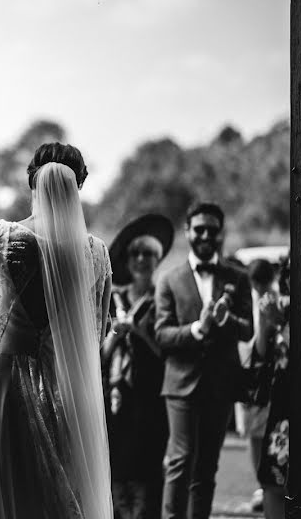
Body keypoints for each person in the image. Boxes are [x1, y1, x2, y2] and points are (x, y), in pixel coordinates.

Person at [0, 142, 114, 519]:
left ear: (33, 185)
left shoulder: (9, 238)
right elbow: (101, 328)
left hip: (7, 383)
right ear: (77, 189)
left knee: (10, 484)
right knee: (61, 490)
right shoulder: (95, 252)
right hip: (67, 386)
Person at [154, 202, 253, 519]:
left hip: (220, 384)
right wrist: (199, 328)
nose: (206, 235)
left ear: (221, 233)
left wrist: (227, 321)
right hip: (181, 384)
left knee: (207, 467)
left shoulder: (238, 278)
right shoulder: (170, 280)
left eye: (213, 229)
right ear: (188, 232)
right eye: (199, 229)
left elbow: (248, 328)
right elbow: (163, 335)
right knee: (180, 461)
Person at [102, 214, 174, 519]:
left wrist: (142, 332)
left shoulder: (164, 298)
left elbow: (170, 353)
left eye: (149, 254)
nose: (142, 260)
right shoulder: (112, 299)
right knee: (115, 469)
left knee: (147, 470)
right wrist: (117, 335)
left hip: (151, 397)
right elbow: (101, 358)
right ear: (127, 259)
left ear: (158, 259)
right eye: (136, 254)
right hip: (116, 398)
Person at [252, 256, 290, 519]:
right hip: (280, 403)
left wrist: (279, 323)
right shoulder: (282, 306)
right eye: (287, 272)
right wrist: (267, 323)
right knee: (271, 481)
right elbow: (262, 353)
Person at [240, 259, 278, 513]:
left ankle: (269, 487)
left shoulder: (277, 300)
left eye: (264, 284)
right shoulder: (245, 301)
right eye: (257, 284)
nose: (261, 289)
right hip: (249, 374)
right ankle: (260, 486)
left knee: (268, 432)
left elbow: (265, 346)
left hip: (272, 375)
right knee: (254, 433)